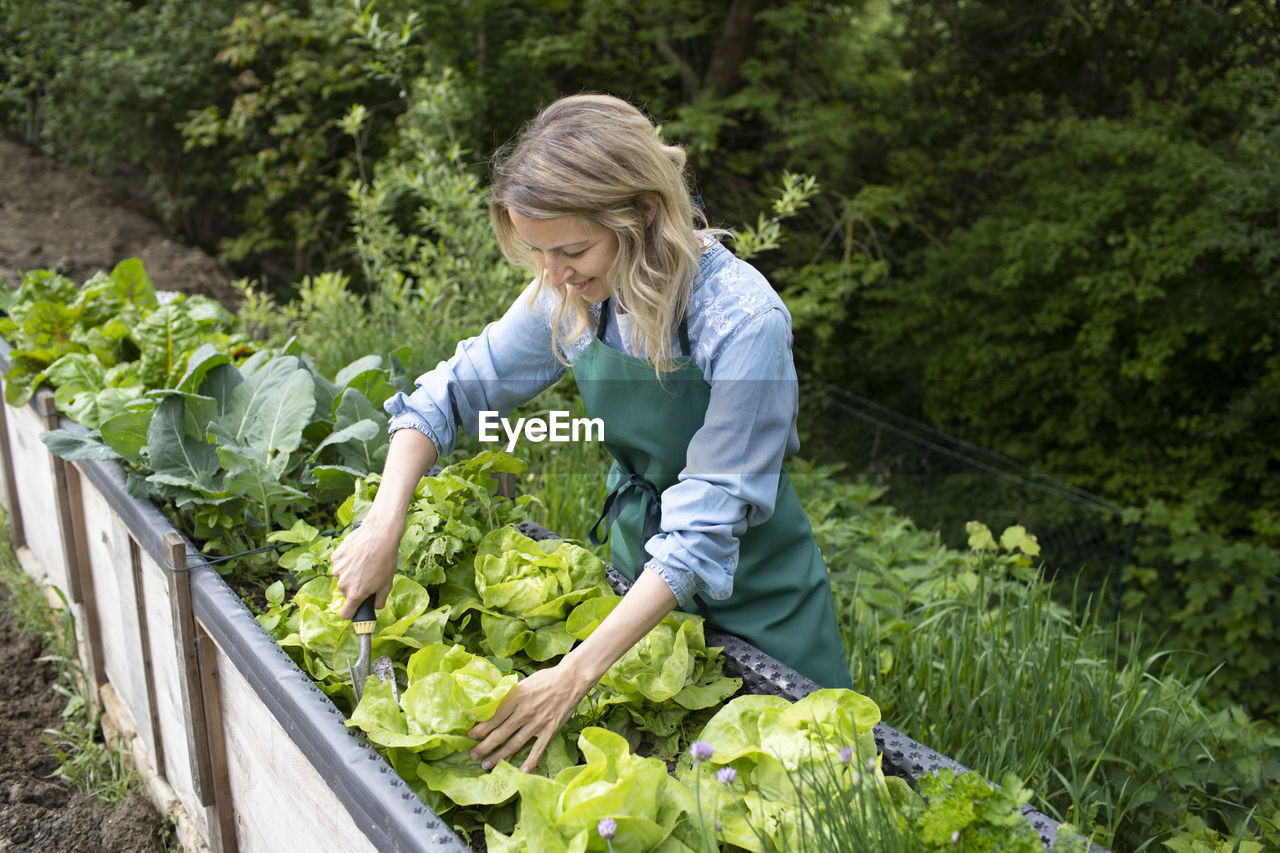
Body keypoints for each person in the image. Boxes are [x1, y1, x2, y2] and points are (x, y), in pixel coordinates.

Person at [330, 93, 852, 775]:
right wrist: (383, 520)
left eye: (572, 249)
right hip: (638, 593)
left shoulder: (744, 319)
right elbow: (454, 391)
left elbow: (705, 527)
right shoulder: (573, 295)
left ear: (642, 214)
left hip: (763, 597)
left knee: (806, 787)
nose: (553, 275)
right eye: (539, 253)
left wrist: (573, 675)